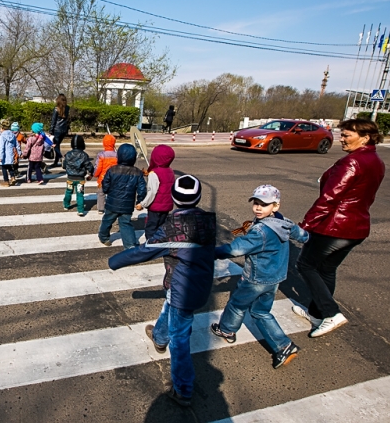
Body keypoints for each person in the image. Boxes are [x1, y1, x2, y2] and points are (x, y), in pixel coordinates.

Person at [108, 175, 216, 408]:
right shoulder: (207, 221)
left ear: (175, 199)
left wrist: (115, 261)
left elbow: (144, 250)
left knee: (179, 338)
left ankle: (184, 389)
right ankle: (158, 337)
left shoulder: (174, 228)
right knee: (170, 308)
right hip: (201, 284)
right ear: (198, 198)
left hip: (182, 287)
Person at [293, 118, 385, 338]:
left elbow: (329, 198)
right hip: (357, 226)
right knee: (326, 269)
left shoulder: (352, 162)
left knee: (305, 265)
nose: (341, 139)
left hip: (334, 227)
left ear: (365, 137)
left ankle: (331, 313)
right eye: (342, 134)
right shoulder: (375, 160)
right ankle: (317, 313)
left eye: (347, 135)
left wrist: (305, 226)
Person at [210, 185, 309, 369]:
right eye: (255, 203)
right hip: (275, 277)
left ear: (275, 206)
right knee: (261, 311)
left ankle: (226, 330)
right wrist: (307, 237)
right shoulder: (284, 223)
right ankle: (284, 346)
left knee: (237, 305)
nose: (257, 208)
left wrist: (211, 252)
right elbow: (300, 234)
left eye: (263, 205)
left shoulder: (261, 231)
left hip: (256, 278)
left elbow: (236, 249)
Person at [98, 144, 147, 249]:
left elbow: (105, 183)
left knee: (107, 220)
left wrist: (107, 191)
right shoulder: (137, 172)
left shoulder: (112, 170)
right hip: (127, 204)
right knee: (125, 223)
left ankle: (103, 237)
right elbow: (142, 188)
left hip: (112, 202)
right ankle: (129, 245)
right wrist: (140, 200)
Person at [137, 145, 176, 240]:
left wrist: (142, 204)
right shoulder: (170, 171)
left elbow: (152, 192)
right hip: (166, 205)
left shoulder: (154, 173)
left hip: (155, 207)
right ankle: (161, 242)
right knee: (161, 226)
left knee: (151, 227)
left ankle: (151, 245)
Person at [62, 135, 94, 215]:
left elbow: (64, 166)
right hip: (80, 179)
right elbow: (89, 166)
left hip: (70, 178)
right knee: (80, 194)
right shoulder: (84, 155)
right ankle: (80, 210)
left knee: (68, 192)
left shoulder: (68, 154)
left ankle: (66, 205)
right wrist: (91, 172)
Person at [93, 134, 118, 214]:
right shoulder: (117, 155)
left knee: (101, 193)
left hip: (103, 178)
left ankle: (101, 209)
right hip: (114, 178)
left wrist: (95, 174)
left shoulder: (101, 155)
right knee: (113, 193)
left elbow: (98, 167)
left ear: (103, 143)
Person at [47, 93, 71, 171]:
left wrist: (50, 131)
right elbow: (68, 120)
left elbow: (53, 121)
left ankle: (61, 157)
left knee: (55, 146)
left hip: (57, 129)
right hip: (64, 130)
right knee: (57, 145)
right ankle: (56, 161)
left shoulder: (56, 109)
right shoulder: (67, 108)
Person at [0, 119, 21, 187]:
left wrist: (0, 157)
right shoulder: (12, 134)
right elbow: (17, 144)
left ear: (2, 128)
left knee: (4, 168)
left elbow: (1, 147)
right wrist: (19, 152)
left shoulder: (2, 136)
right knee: (10, 167)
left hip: (4, 155)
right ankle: (13, 177)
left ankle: (6, 181)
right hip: (10, 154)